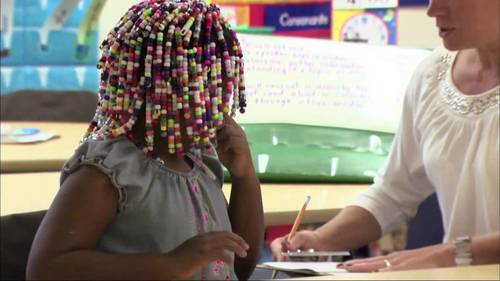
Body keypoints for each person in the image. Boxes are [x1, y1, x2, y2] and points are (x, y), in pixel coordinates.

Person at [27, 1, 264, 280]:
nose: (213, 107)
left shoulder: (200, 162)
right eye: (199, 89)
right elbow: (46, 269)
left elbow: (240, 266)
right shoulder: (110, 170)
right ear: (149, 86)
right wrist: (171, 265)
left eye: (218, 90)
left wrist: (245, 177)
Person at [271, 0, 499, 272]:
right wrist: (321, 239)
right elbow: (393, 191)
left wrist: (450, 255)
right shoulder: (431, 74)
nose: (432, 10)